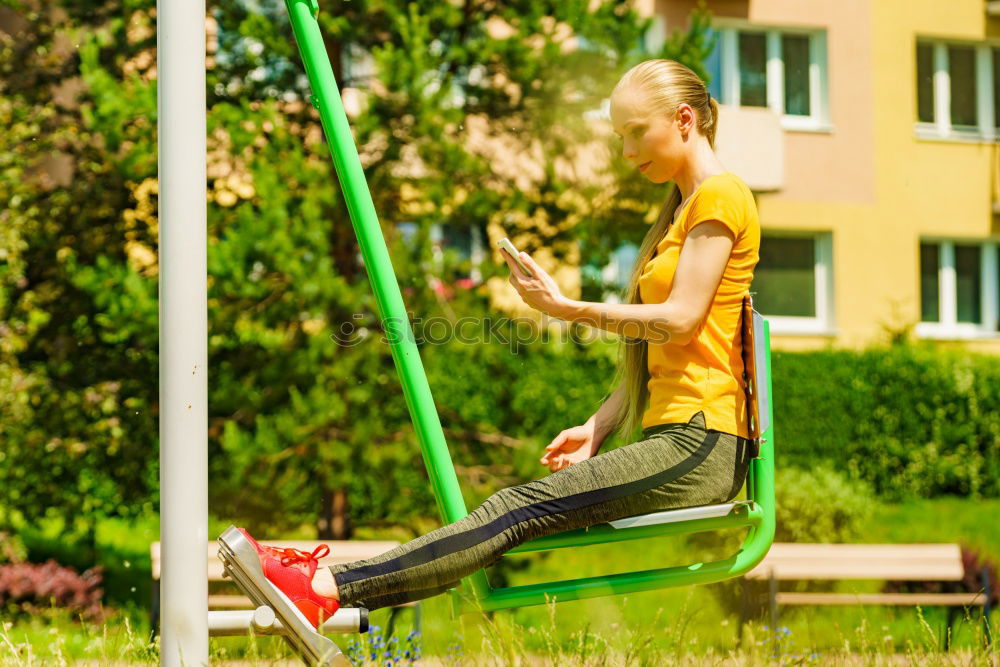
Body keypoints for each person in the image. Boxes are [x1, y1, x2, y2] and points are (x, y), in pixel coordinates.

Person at [236, 58, 761, 629]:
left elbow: (680, 320)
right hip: (681, 435)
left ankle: (323, 588)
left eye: (637, 131)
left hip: (701, 443)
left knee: (514, 509)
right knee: (514, 511)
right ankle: (326, 588)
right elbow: (671, 349)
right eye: (619, 135)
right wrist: (602, 424)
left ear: (684, 119)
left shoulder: (721, 197)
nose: (628, 149)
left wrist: (566, 309)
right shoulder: (681, 210)